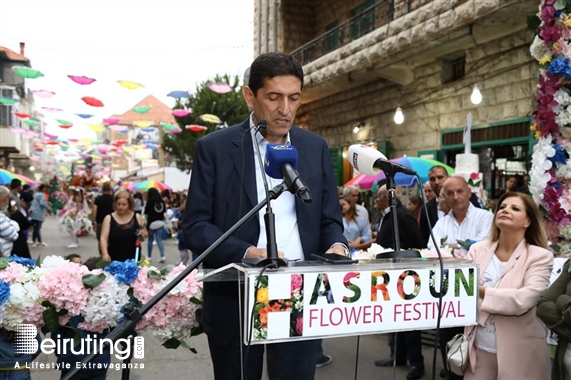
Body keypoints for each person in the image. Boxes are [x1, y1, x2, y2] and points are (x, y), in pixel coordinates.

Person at [183, 52, 348, 380]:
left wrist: (338, 245)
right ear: (250, 96)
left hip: (299, 292)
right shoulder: (214, 148)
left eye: (294, 98)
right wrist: (245, 253)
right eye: (274, 97)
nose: (285, 109)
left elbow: (330, 220)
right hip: (237, 297)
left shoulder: (314, 148)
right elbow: (195, 227)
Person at [464, 192, 553, 379]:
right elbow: (461, 294)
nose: (505, 210)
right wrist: (501, 297)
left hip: (522, 353)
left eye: (515, 208)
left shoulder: (540, 257)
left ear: (527, 221)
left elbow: (522, 301)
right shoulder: (476, 250)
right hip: (478, 350)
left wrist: (479, 291)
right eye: (502, 207)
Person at [373, 184, 426, 380]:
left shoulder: (402, 216)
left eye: (378, 197)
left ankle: (416, 363)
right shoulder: (385, 215)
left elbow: (419, 244)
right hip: (389, 274)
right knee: (393, 319)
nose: (376, 201)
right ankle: (397, 356)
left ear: (387, 197)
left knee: (410, 322)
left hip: (405, 276)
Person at [53, 254, 111, 380]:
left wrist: (61, 352)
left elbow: (57, 332)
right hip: (99, 360)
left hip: (72, 359)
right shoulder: (109, 303)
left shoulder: (67, 301)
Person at [427, 176, 493, 249]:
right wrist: (464, 246)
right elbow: (432, 248)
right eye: (450, 193)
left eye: (460, 191)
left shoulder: (486, 218)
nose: (455, 197)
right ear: (445, 197)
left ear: (469, 193)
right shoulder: (441, 223)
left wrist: (448, 246)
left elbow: (483, 244)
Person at [419, 166, 481, 243]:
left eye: (440, 177)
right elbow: (425, 239)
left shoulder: (467, 198)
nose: (437, 182)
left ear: (448, 178)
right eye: (432, 179)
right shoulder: (426, 208)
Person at [100, 190, 147, 262]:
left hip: (134, 259)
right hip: (114, 259)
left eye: (124, 204)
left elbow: (145, 233)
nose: (121, 207)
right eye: (118, 204)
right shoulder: (108, 218)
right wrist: (105, 254)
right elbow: (103, 238)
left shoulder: (137, 217)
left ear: (129, 204)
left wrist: (143, 233)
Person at [145, 187, 166, 263]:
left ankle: (149, 257)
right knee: (159, 240)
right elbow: (164, 211)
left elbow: (146, 212)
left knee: (150, 240)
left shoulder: (149, 201)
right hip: (160, 222)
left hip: (151, 223)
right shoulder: (162, 201)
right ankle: (162, 256)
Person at [92, 183, 114, 253]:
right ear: (110, 190)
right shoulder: (113, 199)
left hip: (100, 223)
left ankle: (103, 255)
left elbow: (94, 211)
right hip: (112, 223)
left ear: (102, 190)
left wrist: (93, 222)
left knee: (101, 239)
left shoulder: (98, 199)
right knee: (111, 240)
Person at [0, 186, 19, 257]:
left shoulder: (1, 214)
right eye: (7, 198)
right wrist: (13, 227)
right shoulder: (0, 217)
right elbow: (13, 235)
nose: (7, 202)